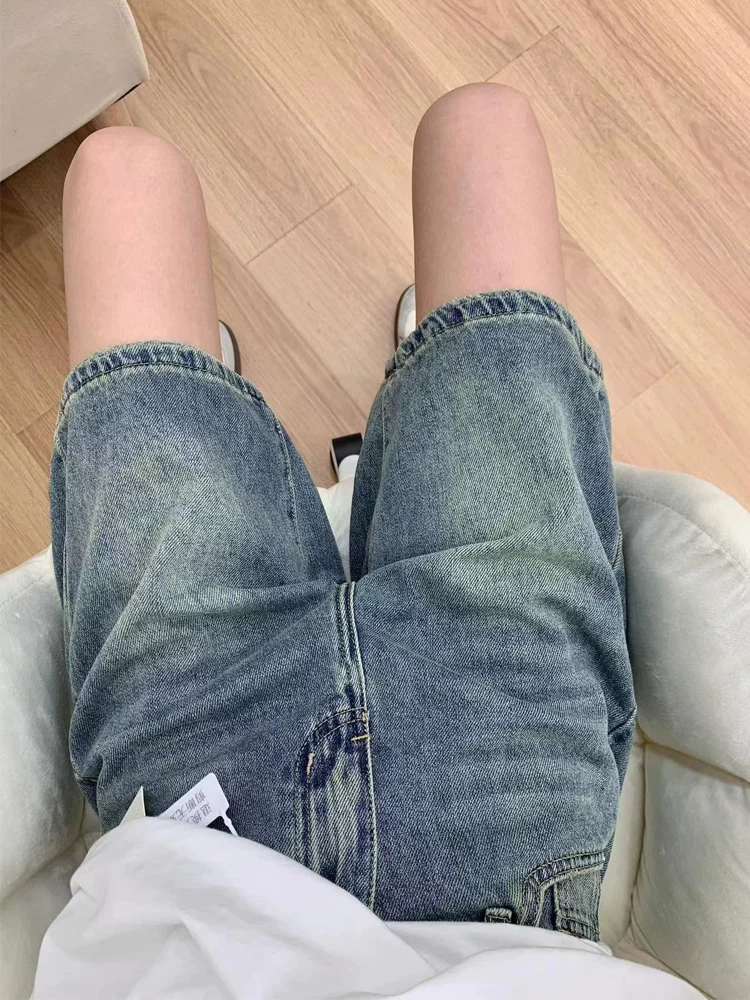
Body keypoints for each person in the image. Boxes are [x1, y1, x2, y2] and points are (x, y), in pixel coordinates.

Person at [33, 84, 699, 998]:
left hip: (476, 811)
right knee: (127, 183)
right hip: (220, 863)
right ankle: (214, 389)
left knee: (468, 137)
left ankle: (292, 383)